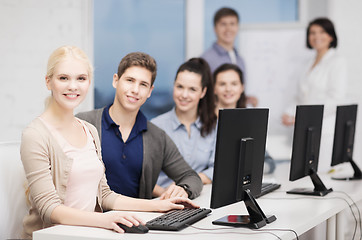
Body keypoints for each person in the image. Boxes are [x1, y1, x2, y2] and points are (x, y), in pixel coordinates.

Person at [20, 46, 199, 238]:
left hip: (95, 232)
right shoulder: (36, 134)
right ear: (48, 82)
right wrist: (107, 220)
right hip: (57, 235)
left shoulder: (88, 130)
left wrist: (157, 205)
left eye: (81, 78)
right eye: (63, 78)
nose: (73, 86)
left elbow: (104, 194)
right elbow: (48, 207)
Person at [76, 52, 202, 200]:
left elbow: (191, 177)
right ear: (116, 80)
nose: (135, 90)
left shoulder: (157, 137)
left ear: (150, 91)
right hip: (90, 221)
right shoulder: (84, 123)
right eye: (130, 80)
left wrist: (183, 189)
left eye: (143, 84)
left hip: (138, 220)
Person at [282, 17, 347, 172]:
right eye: (312, 33)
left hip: (325, 131)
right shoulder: (307, 63)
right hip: (306, 129)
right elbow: (301, 97)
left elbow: (336, 99)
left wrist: (305, 117)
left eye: (322, 32)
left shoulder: (337, 61)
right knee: (305, 175)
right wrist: (289, 113)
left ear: (331, 36)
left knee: (323, 174)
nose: (317, 36)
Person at [151, 58, 217, 197]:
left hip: (200, 198)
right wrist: (168, 194)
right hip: (164, 201)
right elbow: (142, 178)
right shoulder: (156, 126)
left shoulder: (213, 126)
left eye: (192, 89)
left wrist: (188, 185)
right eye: (180, 87)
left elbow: (218, 169)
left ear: (203, 92)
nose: (184, 95)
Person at [213, 63, 275, 174]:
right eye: (222, 84)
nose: (228, 89)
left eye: (234, 84)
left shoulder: (247, 122)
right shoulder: (204, 121)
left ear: (242, 87)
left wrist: (248, 171)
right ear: (214, 89)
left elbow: (269, 162)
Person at [201, 7, 258, 107]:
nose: (228, 29)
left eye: (232, 24)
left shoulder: (240, 60)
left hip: (236, 116)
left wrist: (245, 99)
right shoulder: (206, 60)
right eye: (223, 24)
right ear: (215, 29)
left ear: (237, 27)